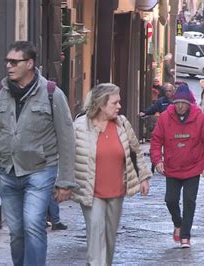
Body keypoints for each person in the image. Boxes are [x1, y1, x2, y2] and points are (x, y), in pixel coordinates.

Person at [0, 41, 76, 266]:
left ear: (29, 63)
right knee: (17, 231)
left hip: (40, 170)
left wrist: (65, 181)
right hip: (8, 171)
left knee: (32, 224)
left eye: (14, 61)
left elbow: (67, 139)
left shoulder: (52, 94)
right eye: (7, 61)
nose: (8, 66)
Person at [72, 83, 151, 265]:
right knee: (96, 232)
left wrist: (144, 177)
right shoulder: (79, 127)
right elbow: (67, 154)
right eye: (114, 103)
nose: (119, 106)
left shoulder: (122, 124)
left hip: (116, 192)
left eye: (119, 102)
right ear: (101, 104)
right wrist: (64, 183)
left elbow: (135, 151)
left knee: (109, 237)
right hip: (91, 192)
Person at [150, 83, 204, 249]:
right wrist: (157, 160)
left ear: (189, 104)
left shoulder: (199, 117)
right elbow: (156, 140)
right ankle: (178, 223)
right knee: (170, 200)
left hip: (193, 167)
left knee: (189, 201)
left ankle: (185, 235)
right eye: (177, 103)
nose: (180, 106)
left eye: (183, 103)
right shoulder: (165, 117)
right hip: (172, 167)